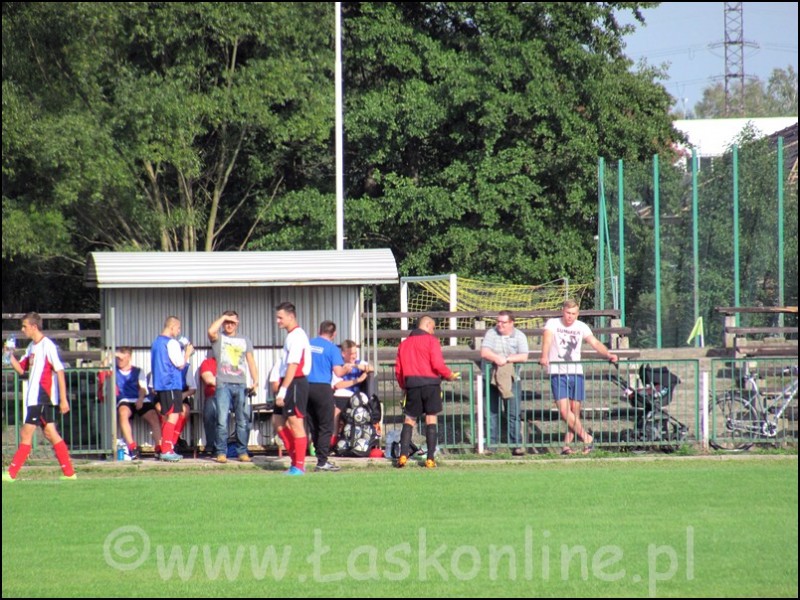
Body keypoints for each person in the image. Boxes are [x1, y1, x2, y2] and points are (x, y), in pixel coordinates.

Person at [3, 312, 77, 482]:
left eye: (25, 326)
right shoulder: (31, 347)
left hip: (41, 397)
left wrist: (63, 399)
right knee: (51, 433)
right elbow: (21, 370)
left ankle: (11, 473)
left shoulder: (47, 345)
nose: (22, 330)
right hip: (34, 398)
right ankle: (69, 473)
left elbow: (59, 371)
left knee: (26, 432)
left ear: (34, 326)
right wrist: (8, 355)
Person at [539, 299, 618, 455]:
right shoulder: (552, 324)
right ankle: (587, 438)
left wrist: (608, 354)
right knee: (564, 411)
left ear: (578, 313)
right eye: (568, 313)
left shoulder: (581, 326)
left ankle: (566, 446)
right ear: (563, 311)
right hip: (558, 372)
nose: (570, 316)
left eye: (574, 314)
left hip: (576, 372)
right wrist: (544, 356)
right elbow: (547, 341)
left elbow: (595, 343)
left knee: (574, 412)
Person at [394, 315, 460, 469]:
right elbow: (437, 364)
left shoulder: (404, 344)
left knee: (409, 419)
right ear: (428, 324)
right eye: (433, 328)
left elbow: (399, 370)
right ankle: (430, 459)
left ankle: (403, 455)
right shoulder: (432, 341)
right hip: (430, 384)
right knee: (431, 418)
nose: (433, 331)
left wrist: (404, 386)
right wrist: (448, 375)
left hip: (412, 384)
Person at [208, 311, 259, 464]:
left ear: (237, 323)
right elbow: (211, 331)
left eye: (232, 322)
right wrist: (223, 317)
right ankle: (221, 452)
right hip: (223, 384)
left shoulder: (245, 339)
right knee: (222, 420)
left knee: (242, 420)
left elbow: (251, 361)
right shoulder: (219, 338)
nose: (229, 325)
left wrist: (255, 381)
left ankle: (242, 452)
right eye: (227, 322)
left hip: (241, 383)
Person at [480, 310, 529, 455]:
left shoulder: (519, 335)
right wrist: (497, 358)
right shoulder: (491, 333)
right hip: (490, 378)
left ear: (511, 323)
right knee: (491, 412)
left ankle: (516, 445)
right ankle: (491, 446)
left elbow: (524, 356)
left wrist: (506, 359)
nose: (500, 325)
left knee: (513, 413)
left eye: (504, 322)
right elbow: (484, 352)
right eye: (498, 321)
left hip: (513, 379)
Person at [99, 346, 162, 460]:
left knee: (153, 415)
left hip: (139, 399)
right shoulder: (113, 371)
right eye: (118, 359)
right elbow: (101, 369)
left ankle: (159, 447)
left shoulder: (138, 371)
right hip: (124, 399)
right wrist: (112, 355)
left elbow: (143, 388)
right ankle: (132, 447)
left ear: (128, 357)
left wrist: (140, 399)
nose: (119, 361)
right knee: (123, 413)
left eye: (121, 358)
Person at [275, 301, 311, 476]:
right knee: (277, 421)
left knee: (296, 423)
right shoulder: (290, 336)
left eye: (280, 317)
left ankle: (299, 465)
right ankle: (295, 459)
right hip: (288, 382)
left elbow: (293, 365)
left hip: (295, 383)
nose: (278, 321)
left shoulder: (297, 336)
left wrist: (283, 390)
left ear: (291, 317)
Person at [151, 316, 194, 462]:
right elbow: (180, 364)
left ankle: (165, 448)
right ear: (172, 327)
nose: (179, 331)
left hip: (161, 384)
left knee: (167, 415)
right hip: (171, 383)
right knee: (173, 416)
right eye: (178, 328)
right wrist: (187, 353)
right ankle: (167, 450)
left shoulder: (156, 342)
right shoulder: (172, 342)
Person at [307, 321, 348, 472]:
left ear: (320, 330)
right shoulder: (332, 348)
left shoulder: (308, 344)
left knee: (313, 424)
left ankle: (319, 456)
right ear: (334, 334)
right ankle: (322, 461)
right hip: (322, 388)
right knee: (326, 425)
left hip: (306, 387)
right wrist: (347, 369)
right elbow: (338, 372)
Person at [331, 339, 374, 443]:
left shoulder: (359, 363)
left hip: (355, 396)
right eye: (351, 354)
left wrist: (354, 365)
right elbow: (338, 385)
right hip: (340, 395)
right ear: (343, 354)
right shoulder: (338, 366)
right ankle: (333, 439)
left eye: (355, 353)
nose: (354, 356)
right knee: (335, 412)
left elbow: (371, 368)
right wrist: (357, 380)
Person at [198, 349, 219, 457]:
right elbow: (209, 380)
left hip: (233, 397)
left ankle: (242, 447)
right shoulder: (207, 363)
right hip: (214, 396)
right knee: (210, 409)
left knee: (247, 411)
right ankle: (212, 445)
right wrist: (228, 383)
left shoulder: (233, 365)